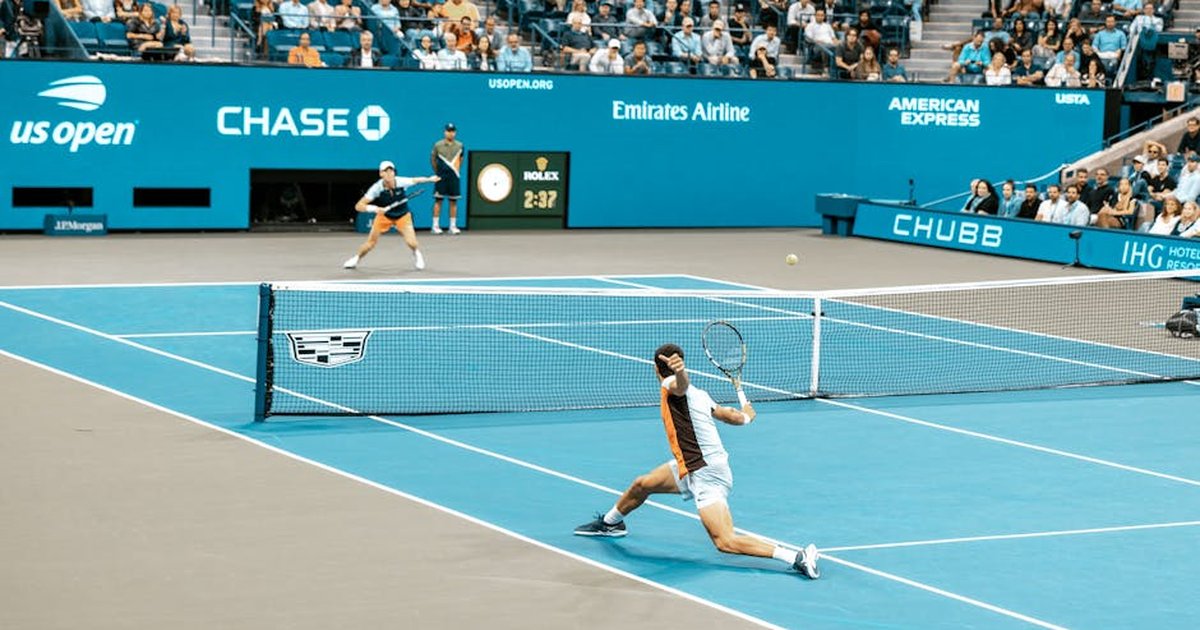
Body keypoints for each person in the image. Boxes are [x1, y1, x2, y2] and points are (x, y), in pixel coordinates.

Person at [572, 345, 821, 581]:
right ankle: (610, 523)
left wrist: (680, 372)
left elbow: (679, 386)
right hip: (692, 466)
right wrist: (746, 414)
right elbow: (730, 415)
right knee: (642, 484)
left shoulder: (672, 385)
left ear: (655, 369)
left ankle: (796, 557)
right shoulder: (700, 395)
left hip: (706, 474)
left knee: (725, 541)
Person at [343, 161, 439, 270]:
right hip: (384, 216)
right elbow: (359, 206)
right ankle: (356, 259)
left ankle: (417, 253)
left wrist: (430, 179)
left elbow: (416, 180)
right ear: (381, 174)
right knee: (370, 243)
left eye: (391, 171)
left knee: (412, 243)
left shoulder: (401, 181)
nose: (389, 173)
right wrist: (375, 209)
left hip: (403, 215)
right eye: (386, 171)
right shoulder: (376, 188)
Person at [431, 123, 463, 235]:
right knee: (438, 200)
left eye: (453, 131)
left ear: (455, 132)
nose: (451, 133)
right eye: (448, 131)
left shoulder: (460, 145)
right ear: (445, 132)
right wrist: (438, 172)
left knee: (453, 201)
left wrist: (455, 171)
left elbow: (461, 159)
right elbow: (433, 160)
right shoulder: (438, 145)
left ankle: (452, 227)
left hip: (454, 177)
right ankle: (435, 226)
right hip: (441, 177)